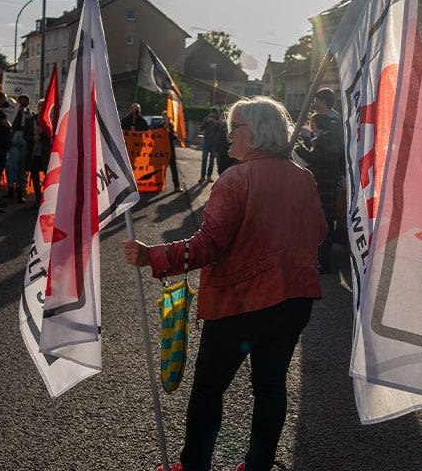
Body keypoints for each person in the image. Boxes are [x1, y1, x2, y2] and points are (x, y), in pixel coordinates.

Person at [122, 97, 326, 471]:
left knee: (209, 389)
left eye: (237, 127)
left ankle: (194, 464)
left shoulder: (236, 178)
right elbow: (320, 233)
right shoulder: (304, 178)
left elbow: (207, 246)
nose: (230, 134)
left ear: (258, 134)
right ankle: (258, 464)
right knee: (270, 386)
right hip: (294, 299)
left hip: (240, 302)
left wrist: (152, 256)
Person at [294, 109, 344, 274]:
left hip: (323, 188)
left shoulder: (324, 141)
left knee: (323, 226)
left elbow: (314, 159)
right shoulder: (327, 139)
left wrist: (299, 147)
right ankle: (323, 260)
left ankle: (323, 262)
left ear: (319, 124)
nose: (311, 125)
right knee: (326, 224)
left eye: (313, 123)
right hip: (328, 187)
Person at [5, 94, 30, 203]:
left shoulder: (29, 113)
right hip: (13, 138)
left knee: (22, 167)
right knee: (11, 165)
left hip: (24, 140)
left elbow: (28, 126)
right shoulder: (11, 111)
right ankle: (10, 188)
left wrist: (24, 114)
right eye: (21, 101)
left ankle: (20, 191)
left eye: (25, 101)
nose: (22, 103)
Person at [198, 108, 222, 182]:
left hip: (214, 143)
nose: (213, 114)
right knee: (204, 160)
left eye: (214, 113)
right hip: (206, 142)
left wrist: (215, 121)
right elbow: (201, 128)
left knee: (211, 161)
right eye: (212, 113)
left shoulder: (219, 120)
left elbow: (220, 129)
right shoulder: (206, 119)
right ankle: (202, 176)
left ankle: (209, 176)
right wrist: (206, 122)